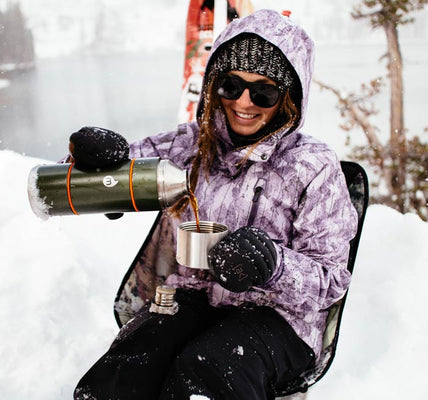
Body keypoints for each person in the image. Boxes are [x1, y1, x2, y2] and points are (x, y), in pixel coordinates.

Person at [69, 9, 358, 400]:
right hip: (193, 295)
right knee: (128, 368)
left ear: (288, 97)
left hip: (278, 317)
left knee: (208, 371)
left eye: (263, 92)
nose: (244, 101)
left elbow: (331, 282)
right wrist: (94, 162)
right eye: (231, 85)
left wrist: (273, 264)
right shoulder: (189, 145)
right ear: (214, 86)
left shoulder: (312, 166)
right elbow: (99, 177)